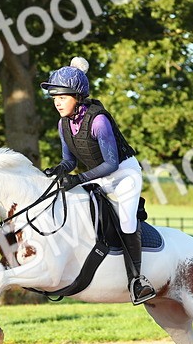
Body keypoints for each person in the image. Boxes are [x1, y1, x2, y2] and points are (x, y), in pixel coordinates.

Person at [40, 57, 156, 305]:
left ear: (78, 96)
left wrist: (79, 178)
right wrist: (58, 170)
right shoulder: (63, 124)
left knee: (126, 222)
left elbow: (111, 163)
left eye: (62, 97)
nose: (57, 103)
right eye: (55, 98)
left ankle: (138, 280)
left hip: (124, 175)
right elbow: (69, 160)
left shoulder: (98, 120)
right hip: (98, 176)